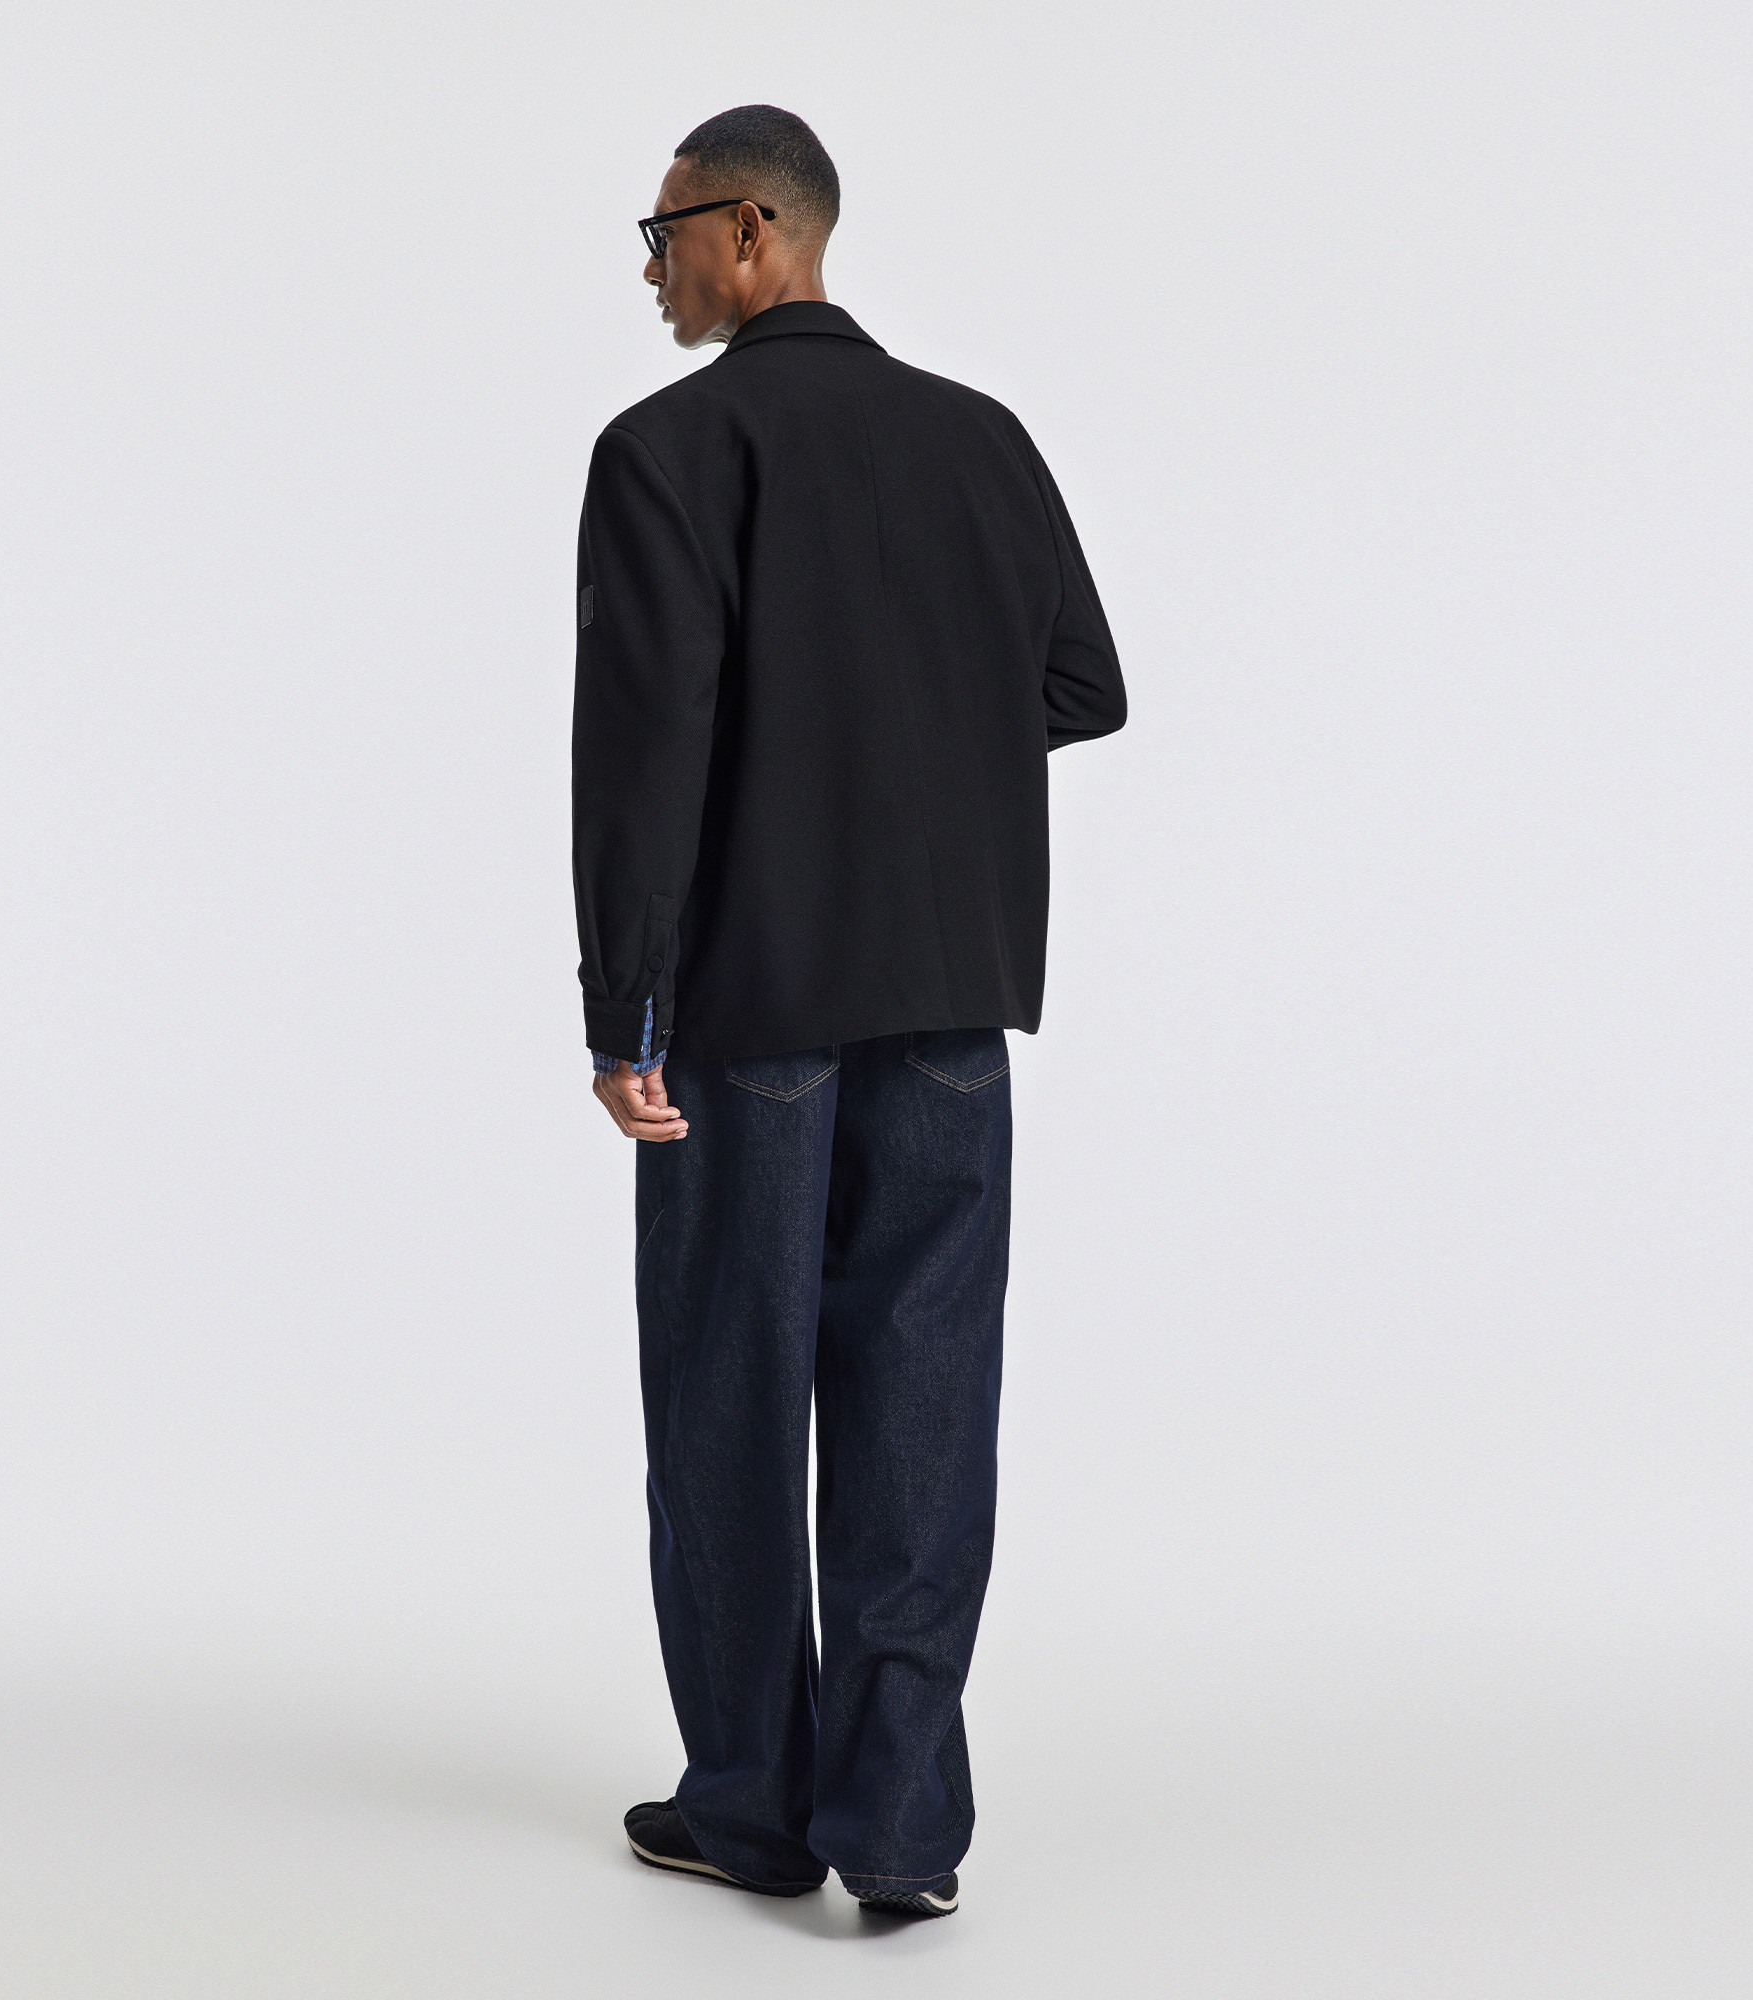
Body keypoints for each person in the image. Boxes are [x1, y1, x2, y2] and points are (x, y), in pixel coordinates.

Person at [572, 104, 1125, 1920]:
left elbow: (643, 761)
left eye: (663, 235)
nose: (652, 271)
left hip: (750, 1006)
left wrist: (623, 1012)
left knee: (730, 1394)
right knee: (924, 1402)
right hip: (952, 997)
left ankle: (750, 1807)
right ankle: (898, 1826)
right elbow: (1081, 683)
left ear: (753, 234)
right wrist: (910, 735)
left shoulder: (668, 451)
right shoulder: (982, 438)